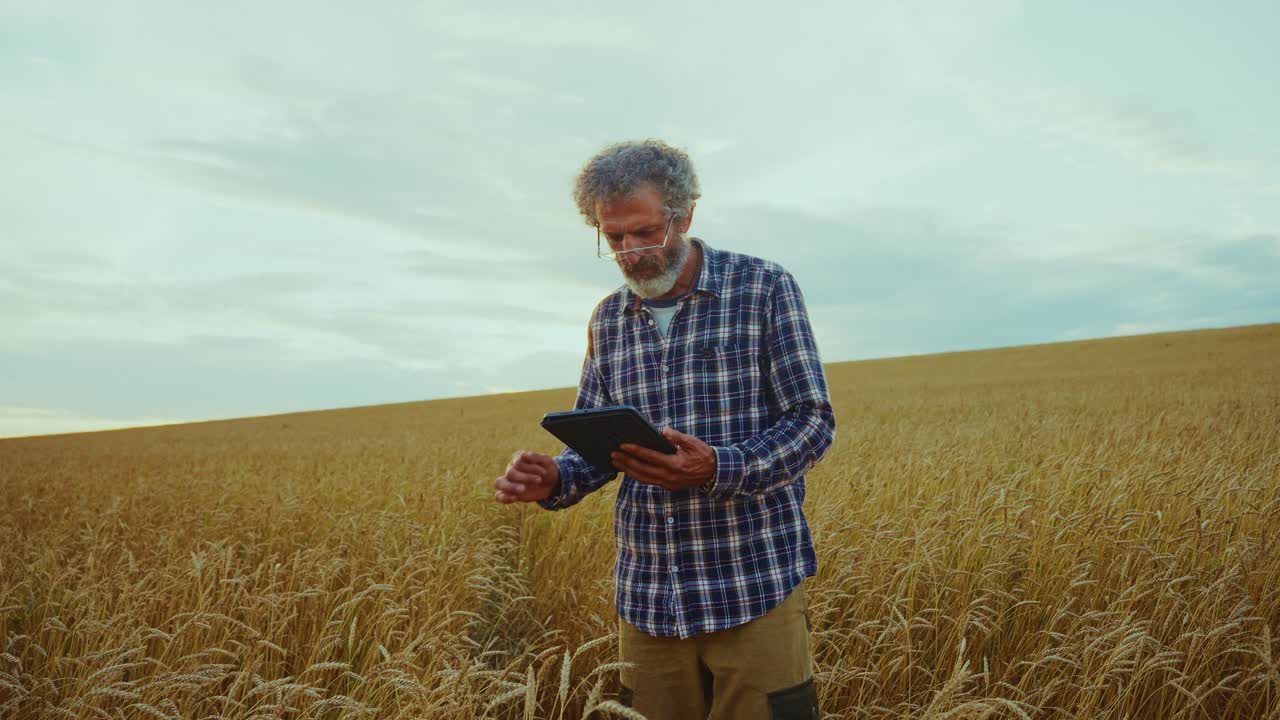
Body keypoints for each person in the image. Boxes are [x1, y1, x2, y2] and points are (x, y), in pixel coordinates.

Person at [493, 139, 835, 720]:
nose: (631, 252)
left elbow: (812, 422)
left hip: (754, 586)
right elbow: (602, 447)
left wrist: (717, 468)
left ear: (685, 215)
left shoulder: (763, 289)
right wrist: (555, 478)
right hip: (650, 599)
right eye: (615, 238)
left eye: (645, 232)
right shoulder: (608, 319)